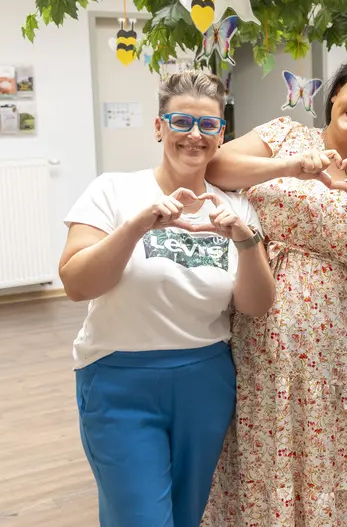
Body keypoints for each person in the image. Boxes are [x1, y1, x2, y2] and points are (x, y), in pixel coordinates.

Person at [201, 55, 347, 526]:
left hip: (338, 354)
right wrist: (291, 167)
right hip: (259, 339)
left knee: (333, 457)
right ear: (334, 93)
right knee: (262, 444)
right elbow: (216, 167)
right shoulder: (283, 135)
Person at [59, 71, 276, 527]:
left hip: (205, 380)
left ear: (221, 135)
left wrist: (245, 240)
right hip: (120, 381)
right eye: (181, 121)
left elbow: (256, 305)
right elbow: (77, 284)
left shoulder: (235, 207)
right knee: (141, 519)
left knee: (186, 516)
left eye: (208, 125)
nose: (194, 136)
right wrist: (137, 226)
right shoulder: (114, 191)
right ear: (159, 127)